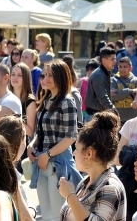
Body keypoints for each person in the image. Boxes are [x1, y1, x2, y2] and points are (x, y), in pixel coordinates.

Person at [28, 59, 83, 221]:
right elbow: (42, 132)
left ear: (61, 76)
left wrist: (48, 155)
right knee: (46, 214)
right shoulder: (45, 101)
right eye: (43, 75)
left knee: (58, 214)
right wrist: (31, 145)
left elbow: (71, 137)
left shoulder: (67, 101)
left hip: (58, 164)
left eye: (50, 75)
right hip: (41, 162)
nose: (45, 79)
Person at [58, 112, 127, 221]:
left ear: (89, 154)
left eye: (76, 148)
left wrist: (70, 195)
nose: (74, 153)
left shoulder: (109, 187)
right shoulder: (86, 181)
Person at [0, 115, 36, 221]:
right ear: (18, 142)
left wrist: (31, 209)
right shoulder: (9, 174)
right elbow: (26, 218)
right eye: (24, 138)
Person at [86, 47, 118, 116]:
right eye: (112, 59)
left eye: (115, 59)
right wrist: (114, 112)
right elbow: (103, 98)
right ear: (104, 60)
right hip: (95, 115)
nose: (115, 61)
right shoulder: (99, 75)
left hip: (100, 114)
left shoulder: (105, 72)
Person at [10, 62, 39, 137]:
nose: (15, 78)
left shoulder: (30, 102)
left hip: (21, 143)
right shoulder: (5, 97)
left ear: (26, 78)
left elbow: (30, 131)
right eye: (13, 74)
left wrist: (12, 118)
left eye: (19, 75)